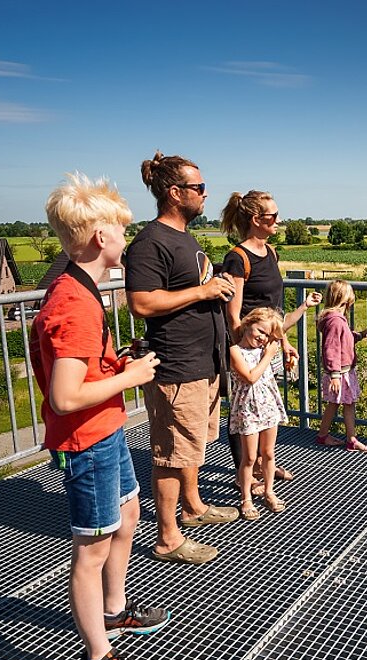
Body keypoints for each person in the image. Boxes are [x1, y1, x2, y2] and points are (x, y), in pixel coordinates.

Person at [30, 173, 168, 660]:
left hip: (105, 429)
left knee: (128, 514)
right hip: (86, 441)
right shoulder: (76, 305)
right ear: (100, 237)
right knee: (90, 551)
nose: (126, 239)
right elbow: (65, 397)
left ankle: (114, 610)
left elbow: (81, 374)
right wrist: (131, 377)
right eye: (121, 231)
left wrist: (115, 367)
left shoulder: (79, 289)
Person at [126, 151, 239, 566]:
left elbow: (185, 287)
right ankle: (167, 538)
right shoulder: (150, 242)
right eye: (199, 187)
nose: (205, 194)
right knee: (172, 455)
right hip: (177, 366)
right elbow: (141, 302)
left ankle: (192, 507)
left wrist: (213, 285)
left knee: (191, 448)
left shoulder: (183, 238)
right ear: (175, 193)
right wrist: (203, 291)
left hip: (201, 363)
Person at [219, 190, 321, 489]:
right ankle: (245, 473)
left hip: (269, 345)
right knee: (243, 410)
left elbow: (275, 310)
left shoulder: (271, 252)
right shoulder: (237, 259)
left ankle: (264, 465)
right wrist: (243, 355)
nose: (279, 219)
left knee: (264, 409)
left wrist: (283, 343)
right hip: (248, 349)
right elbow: (234, 315)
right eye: (273, 215)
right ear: (256, 219)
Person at [229, 308, 290, 516]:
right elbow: (250, 377)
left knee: (269, 453)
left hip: (267, 406)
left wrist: (304, 307)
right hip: (248, 409)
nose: (263, 337)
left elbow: (284, 326)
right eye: (260, 331)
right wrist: (268, 356)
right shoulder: (235, 351)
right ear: (248, 324)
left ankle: (269, 491)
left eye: (267, 335)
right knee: (249, 457)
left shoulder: (264, 349)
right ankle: (246, 497)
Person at [314, 280, 367, 452]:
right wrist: (335, 375)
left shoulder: (335, 320)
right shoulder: (336, 322)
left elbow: (344, 338)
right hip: (340, 373)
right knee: (346, 404)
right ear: (345, 299)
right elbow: (331, 348)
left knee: (337, 404)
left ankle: (326, 436)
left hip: (341, 372)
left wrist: (360, 335)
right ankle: (349, 439)